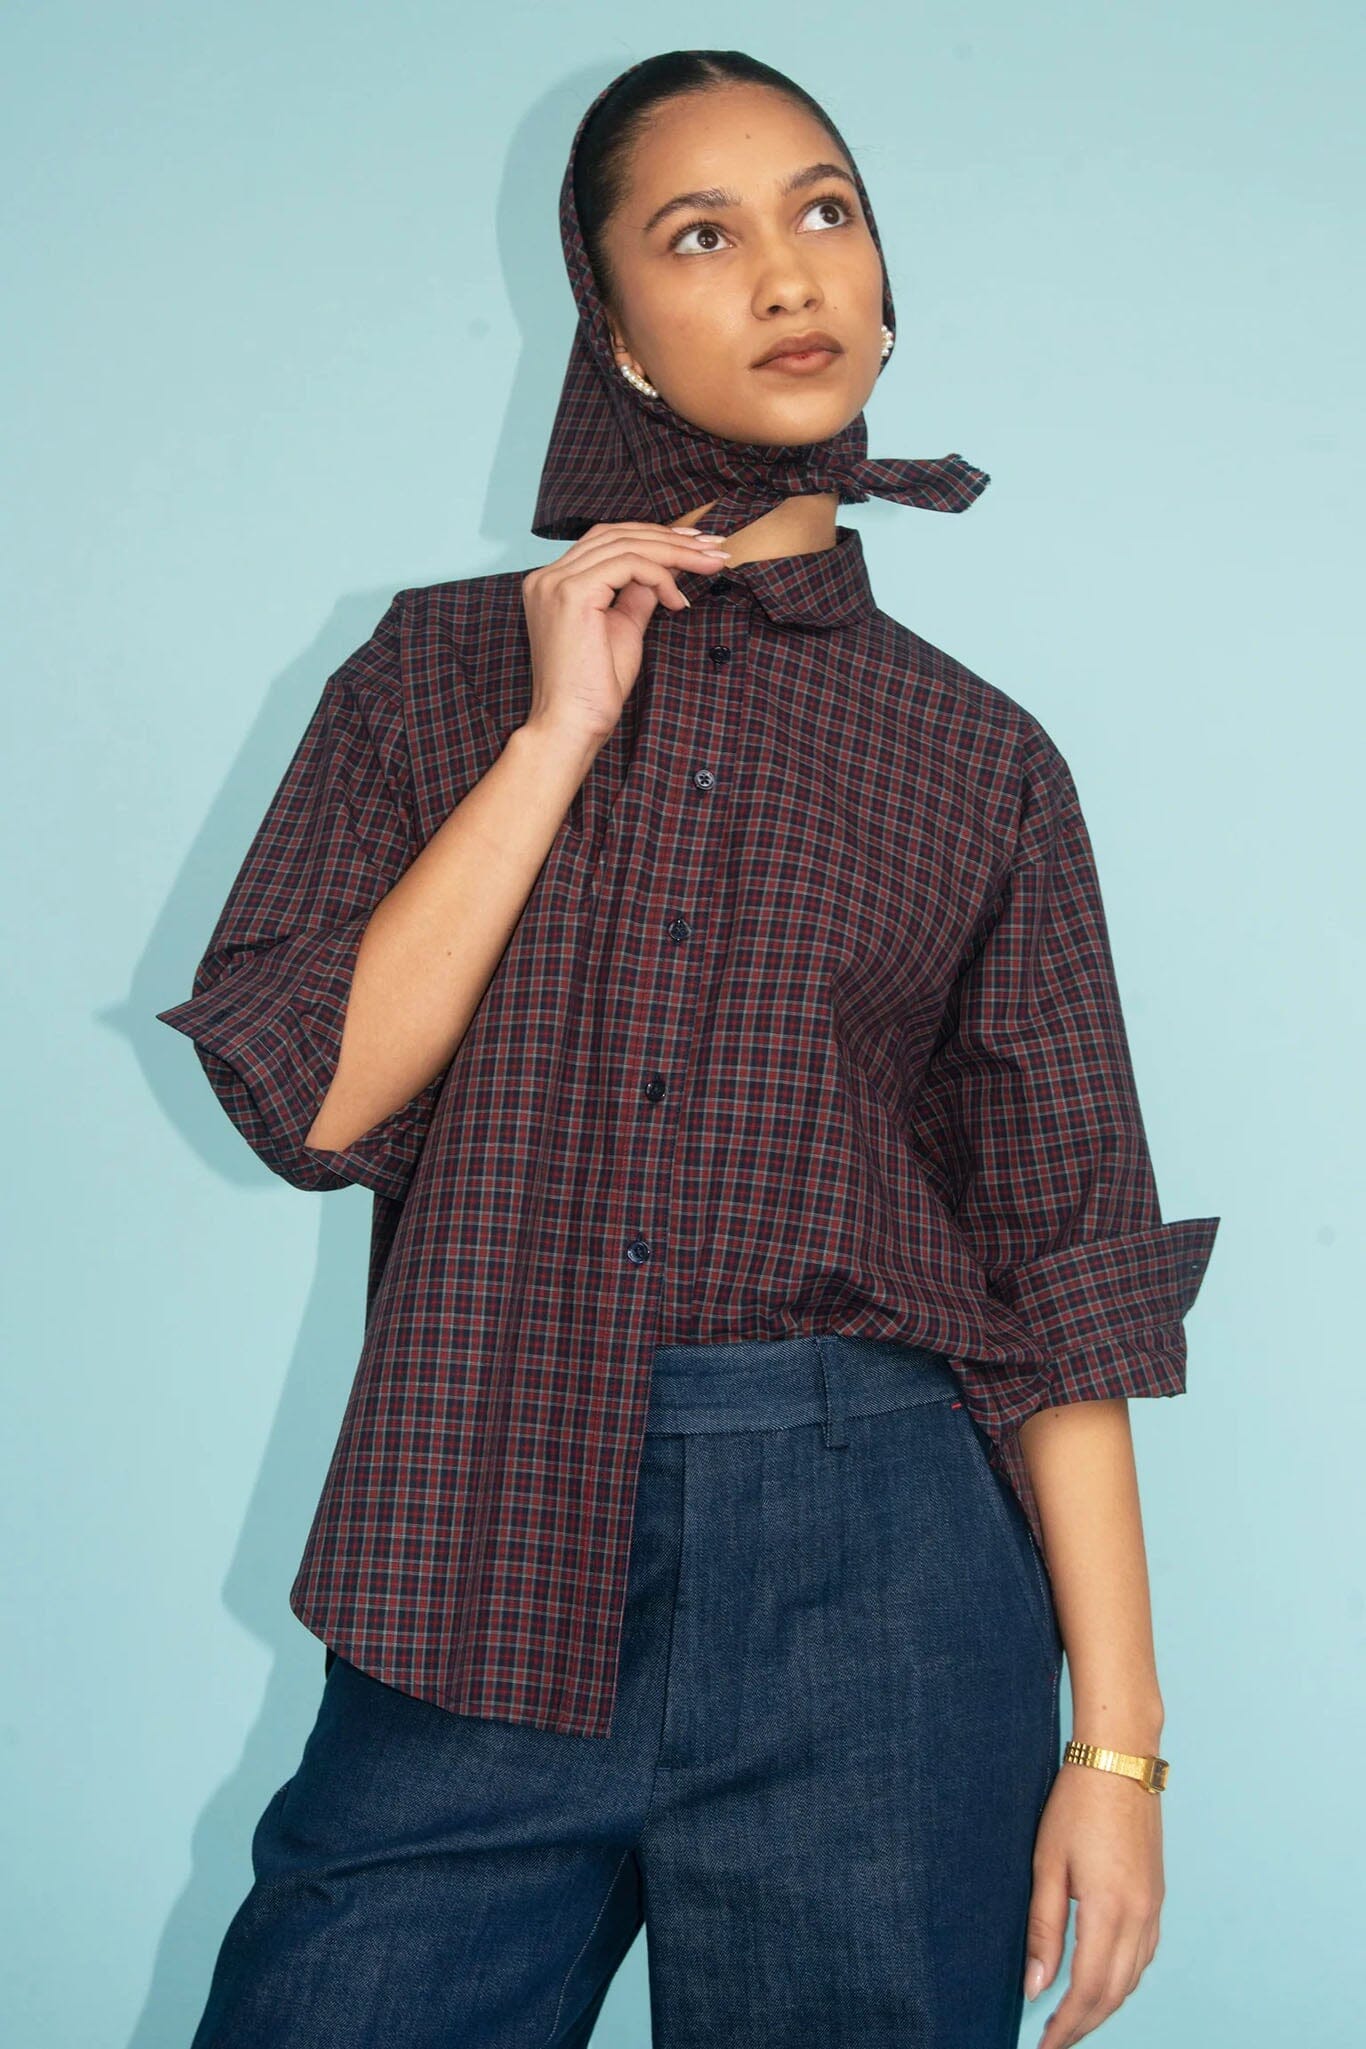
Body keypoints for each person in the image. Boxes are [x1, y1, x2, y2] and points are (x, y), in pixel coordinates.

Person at [159, 48, 1220, 2049]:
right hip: (478, 1525)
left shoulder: (977, 761)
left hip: (882, 1570)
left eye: (822, 211)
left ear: (885, 277)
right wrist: (554, 730)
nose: (783, 272)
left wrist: (1124, 1749)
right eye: (698, 234)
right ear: (614, 332)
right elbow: (313, 1094)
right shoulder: (435, 674)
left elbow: (1057, 1272)